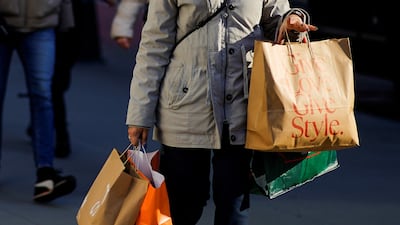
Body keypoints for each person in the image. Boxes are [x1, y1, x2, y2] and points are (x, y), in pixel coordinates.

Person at [126, 1, 317, 224]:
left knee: (234, 206)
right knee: (185, 204)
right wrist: (140, 113)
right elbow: (153, 46)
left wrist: (291, 22)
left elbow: (277, 22)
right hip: (184, 106)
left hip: (242, 106)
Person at [0, 0, 77, 203]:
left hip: (42, 20)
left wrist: (64, 17)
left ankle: (45, 173)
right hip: (2, 19)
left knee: (43, 96)